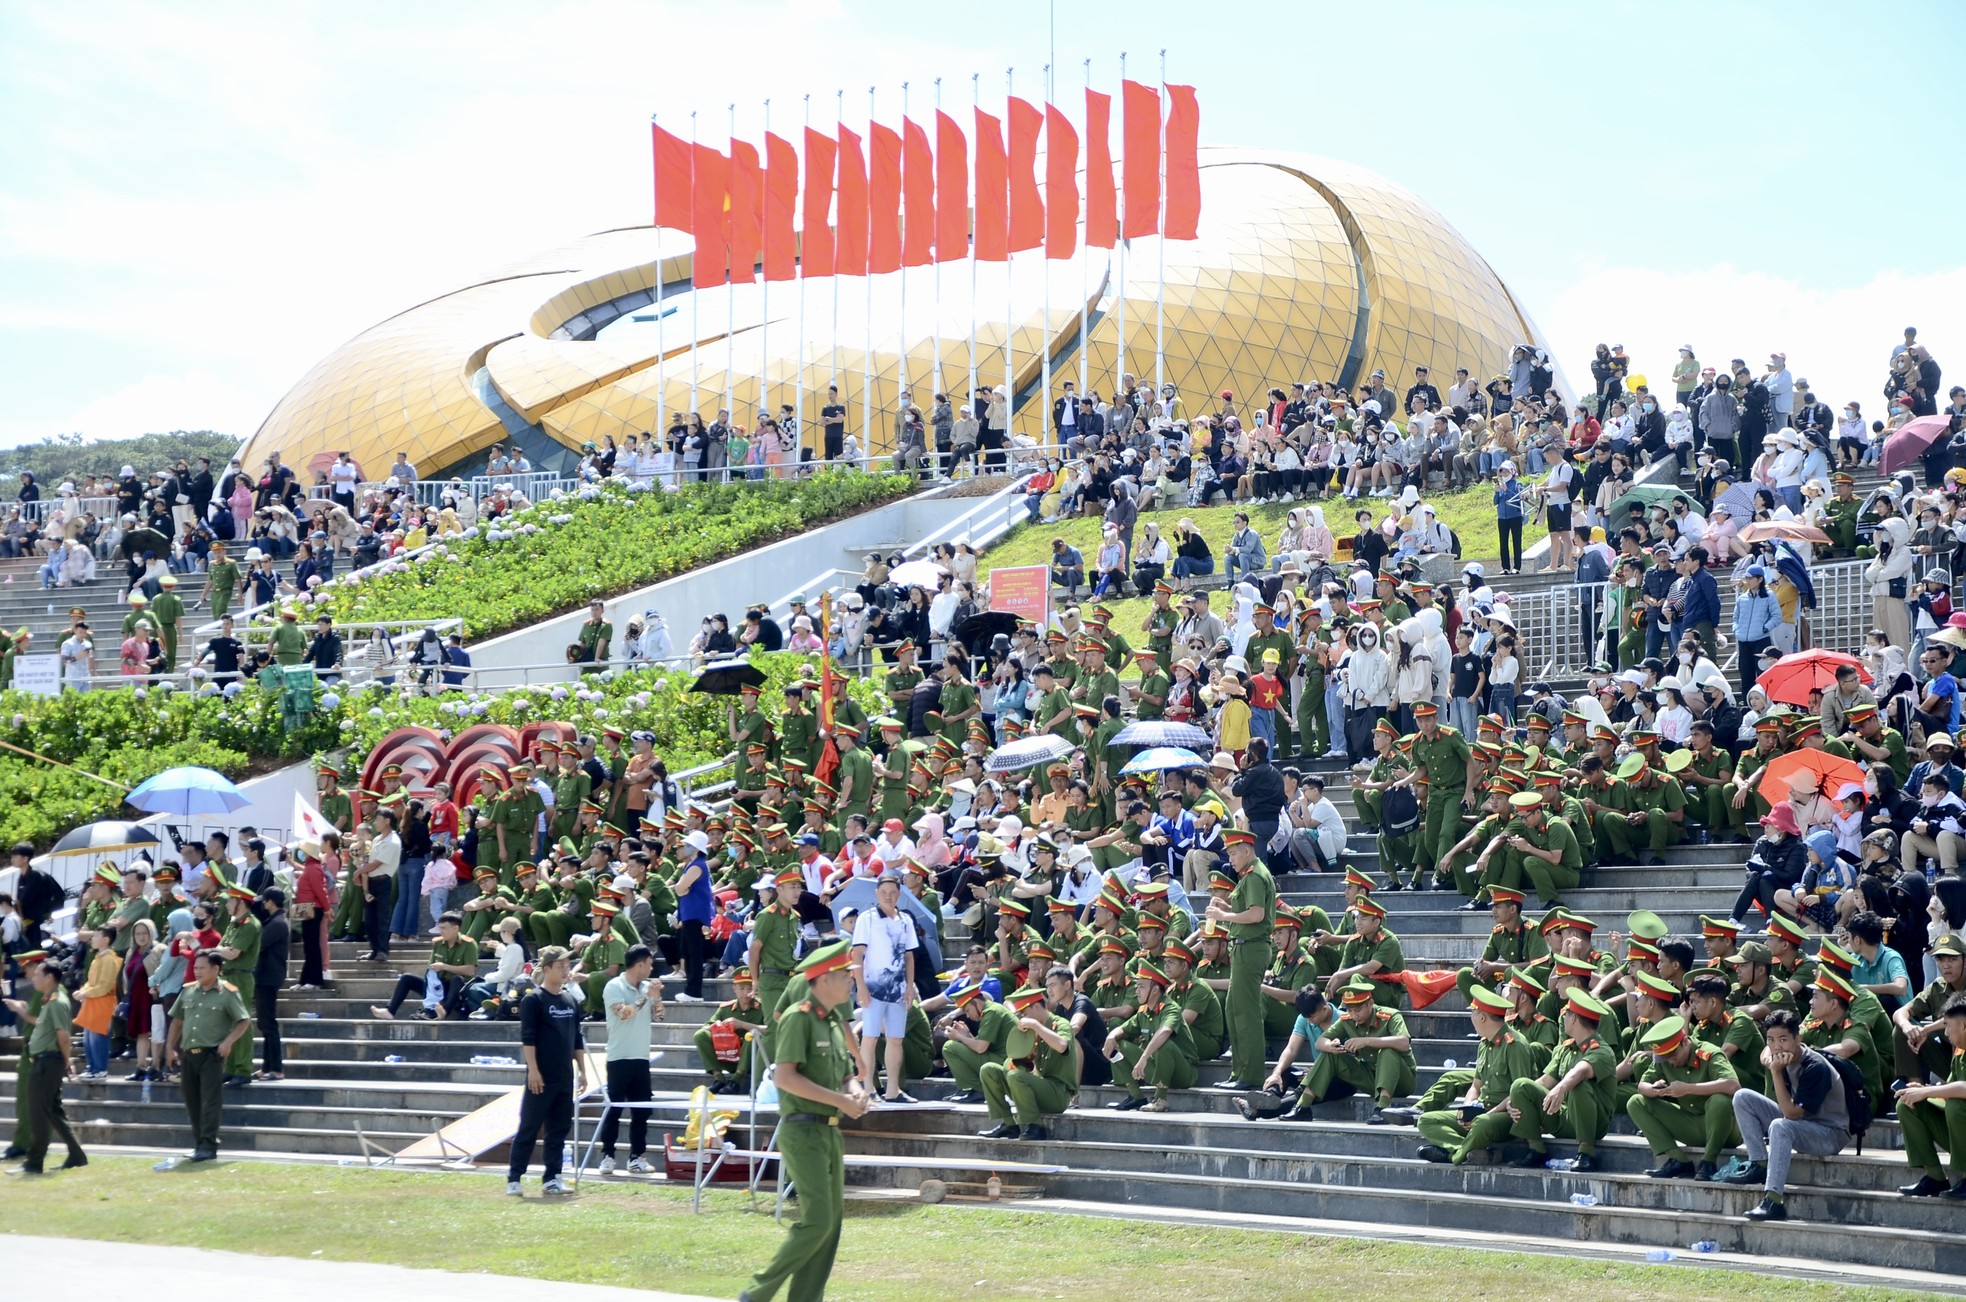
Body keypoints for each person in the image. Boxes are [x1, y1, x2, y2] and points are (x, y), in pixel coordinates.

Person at [741, 940, 869, 1302]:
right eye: (845, 976)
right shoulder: (799, 1017)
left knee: (830, 1227)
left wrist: (856, 1091)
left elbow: (846, 1074)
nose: (850, 983)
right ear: (825, 979)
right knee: (816, 1221)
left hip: (829, 1131)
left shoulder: (830, 1022)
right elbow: (785, 1077)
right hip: (802, 1129)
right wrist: (841, 1099)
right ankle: (756, 1292)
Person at [1724, 1008, 1853, 1220]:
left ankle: (1773, 1201)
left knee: (1780, 1125)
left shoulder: (1815, 1066)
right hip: (1803, 1124)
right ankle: (1759, 1164)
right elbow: (1766, 1053)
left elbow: (1791, 1114)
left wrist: (1774, 1070)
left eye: (1783, 1039)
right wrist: (1772, 1061)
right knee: (1742, 1097)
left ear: (1798, 1038)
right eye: (1771, 1040)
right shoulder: (1781, 1057)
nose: (1776, 1046)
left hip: (1830, 1133)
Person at [507, 945, 589, 1196]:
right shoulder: (533, 1000)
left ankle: (552, 1177)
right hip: (540, 1078)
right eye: (560, 966)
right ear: (547, 969)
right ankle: (515, 1177)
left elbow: (576, 1039)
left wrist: (583, 1071)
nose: (566, 970)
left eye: (567, 965)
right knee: (529, 1127)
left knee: (559, 1129)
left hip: (564, 1078)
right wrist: (533, 1070)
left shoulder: (571, 1001)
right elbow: (528, 1038)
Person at [165, 952, 251, 1162]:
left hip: (211, 1055)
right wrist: (169, 1047)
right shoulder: (188, 991)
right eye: (195, 968)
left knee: (210, 1102)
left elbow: (243, 1021)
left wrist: (228, 1042)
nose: (198, 971)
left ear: (215, 969)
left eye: (202, 968)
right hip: (188, 1054)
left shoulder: (227, 992)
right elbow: (177, 1021)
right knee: (192, 1101)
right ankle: (199, 1143)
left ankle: (209, 1145)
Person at [6, 957, 86, 1175]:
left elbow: (64, 1036)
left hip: (47, 1063)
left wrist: (68, 1062)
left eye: (38, 975)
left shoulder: (57, 1002)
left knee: (38, 1114)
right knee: (54, 1111)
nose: (33, 978)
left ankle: (34, 1162)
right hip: (46, 1061)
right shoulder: (50, 1000)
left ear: (49, 978)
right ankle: (77, 1155)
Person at [850, 870, 920, 1103]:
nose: (888, 896)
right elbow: (857, 955)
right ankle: (868, 1088)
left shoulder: (906, 920)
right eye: (884, 892)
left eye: (893, 892)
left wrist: (910, 986)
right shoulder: (866, 918)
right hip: (873, 986)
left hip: (898, 988)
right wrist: (860, 987)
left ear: (899, 894)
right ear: (876, 893)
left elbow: (909, 956)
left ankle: (892, 1089)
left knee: (896, 1038)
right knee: (870, 1037)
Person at [979, 984, 1080, 1140]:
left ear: (1036, 1008)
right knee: (989, 1070)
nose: (1022, 1018)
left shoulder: (1060, 1024)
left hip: (1058, 1094)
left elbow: (1062, 1046)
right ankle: (1009, 1125)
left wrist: (1036, 1026)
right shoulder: (1031, 1032)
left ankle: (1034, 1127)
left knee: (1015, 1077)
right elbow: (1014, 1061)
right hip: (1038, 1086)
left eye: (1025, 1013)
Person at [596, 944, 664, 1174]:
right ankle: (607, 1156)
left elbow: (660, 1017)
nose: (652, 968)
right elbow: (624, 1014)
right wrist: (646, 996)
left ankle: (637, 1156)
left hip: (641, 1057)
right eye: (650, 963)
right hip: (619, 1057)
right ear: (640, 964)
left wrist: (657, 998)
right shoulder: (614, 986)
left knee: (641, 1110)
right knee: (614, 1109)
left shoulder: (646, 988)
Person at [252, 889, 290, 1081]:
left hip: (269, 977)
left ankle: (276, 1068)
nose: (262, 906)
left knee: (268, 1023)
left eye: (264, 902)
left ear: (271, 902)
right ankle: (267, 1066)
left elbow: (259, 943)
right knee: (264, 1022)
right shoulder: (275, 921)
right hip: (265, 976)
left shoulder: (277, 924)